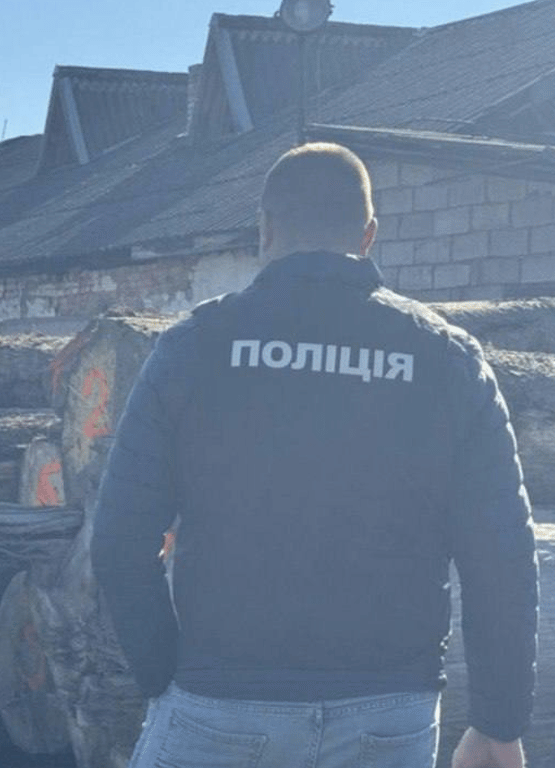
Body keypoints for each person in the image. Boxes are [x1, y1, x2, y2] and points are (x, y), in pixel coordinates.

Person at [92, 143, 538, 768]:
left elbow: (119, 540)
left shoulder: (194, 348)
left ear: (264, 231)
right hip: (389, 714)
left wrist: (165, 674)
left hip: (220, 702)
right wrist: (499, 722)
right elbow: (502, 554)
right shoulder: (446, 358)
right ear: (369, 235)